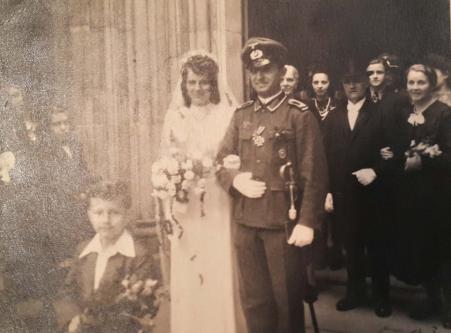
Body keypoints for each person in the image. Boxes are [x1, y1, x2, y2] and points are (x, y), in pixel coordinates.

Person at [216, 37, 328, 333]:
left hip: (283, 224)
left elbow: (314, 174)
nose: (260, 76)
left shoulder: (298, 114)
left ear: (281, 72)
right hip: (246, 222)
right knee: (254, 302)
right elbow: (221, 160)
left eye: (267, 69)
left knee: (286, 301)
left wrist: (307, 221)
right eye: (254, 71)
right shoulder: (241, 115)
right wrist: (234, 179)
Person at [158, 51, 246, 333]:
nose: (198, 89)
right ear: (184, 84)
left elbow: (234, 157)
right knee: (189, 258)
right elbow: (166, 158)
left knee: (218, 258)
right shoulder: (174, 116)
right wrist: (172, 184)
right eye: (193, 82)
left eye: (205, 83)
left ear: (214, 84)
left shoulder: (227, 114)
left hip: (218, 198)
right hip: (186, 199)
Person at [382, 64, 451, 327]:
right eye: (411, 82)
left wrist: (424, 162)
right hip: (413, 196)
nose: (414, 88)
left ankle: (449, 306)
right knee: (423, 248)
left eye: (420, 82)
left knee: (444, 249)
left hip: (439, 196)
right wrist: (391, 154)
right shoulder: (406, 113)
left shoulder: (444, 114)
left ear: (431, 84)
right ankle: (432, 298)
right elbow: (403, 147)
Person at [323, 60, 391, 317]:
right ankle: (354, 292)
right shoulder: (333, 116)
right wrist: (327, 190)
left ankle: (382, 296)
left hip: (374, 194)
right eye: (347, 81)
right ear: (342, 85)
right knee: (350, 246)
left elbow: (392, 150)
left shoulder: (381, 112)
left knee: (376, 247)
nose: (353, 85)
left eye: (358, 80)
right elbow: (325, 156)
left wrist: (375, 171)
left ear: (367, 82)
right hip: (344, 194)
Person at [54, 179, 159, 332]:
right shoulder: (84, 250)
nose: (106, 220)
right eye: (98, 213)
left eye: (114, 213)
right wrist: (73, 319)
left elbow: (140, 308)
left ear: (127, 215)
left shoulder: (139, 255)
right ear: (89, 215)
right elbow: (67, 293)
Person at [42, 107, 92, 265]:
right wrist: (76, 194)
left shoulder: (75, 145)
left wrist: (87, 190)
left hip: (80, 203)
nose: (63, 127)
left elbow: (83, 170)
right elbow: (53, 180)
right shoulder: (45, 150)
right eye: (57, 124)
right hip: (60, 207)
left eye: (66, 122)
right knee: (66, 254)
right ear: (49, 128)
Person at [304, 66, 342, 270]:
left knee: (334, 207)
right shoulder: (306, 105)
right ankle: (318, 257)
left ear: (329, 84)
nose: (320, 86)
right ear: (311, 85)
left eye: (324, 82)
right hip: (314, 159)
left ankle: (336, 254)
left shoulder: (337, 104)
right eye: (316, 83)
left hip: (334, 159)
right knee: (316, 207)